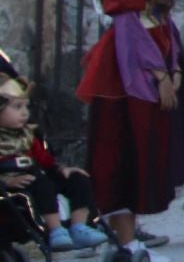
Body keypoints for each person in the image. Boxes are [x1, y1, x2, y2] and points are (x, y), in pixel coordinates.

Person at [76, 0, 184, 262]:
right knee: (121, 154)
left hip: (151, 70)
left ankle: (126, 238)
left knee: (140, 154)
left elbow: (164, 26)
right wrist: (160, 74)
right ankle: (124, 241)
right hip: (125, 81)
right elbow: (130, 32)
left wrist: (174, 65)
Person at [0, 72, 108, 252]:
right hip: (11, 185)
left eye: (26, 107)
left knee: (78, 180)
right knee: (42, 184)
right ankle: (55, 230)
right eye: (17, 107)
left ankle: (79, 227)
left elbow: (44, 159)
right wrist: (5, 181)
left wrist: (61, 169)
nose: (25, 113)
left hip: (34, 177)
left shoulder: (27, 135)